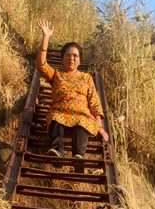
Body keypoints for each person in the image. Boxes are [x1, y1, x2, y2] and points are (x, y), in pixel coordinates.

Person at [35, 20, 108, 159]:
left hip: (80, 114)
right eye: (68, 55)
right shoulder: (57, 75)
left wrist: (100, 127)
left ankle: (78, 155)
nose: (71, 58)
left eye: (75, 55)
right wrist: (46, 37)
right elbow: (41, 65)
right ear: (62, 59)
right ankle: (56, 150)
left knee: (82, 121)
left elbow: (94, 102)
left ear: (79, 60)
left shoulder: (86, 78)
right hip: (60, 111)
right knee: (55, 118)